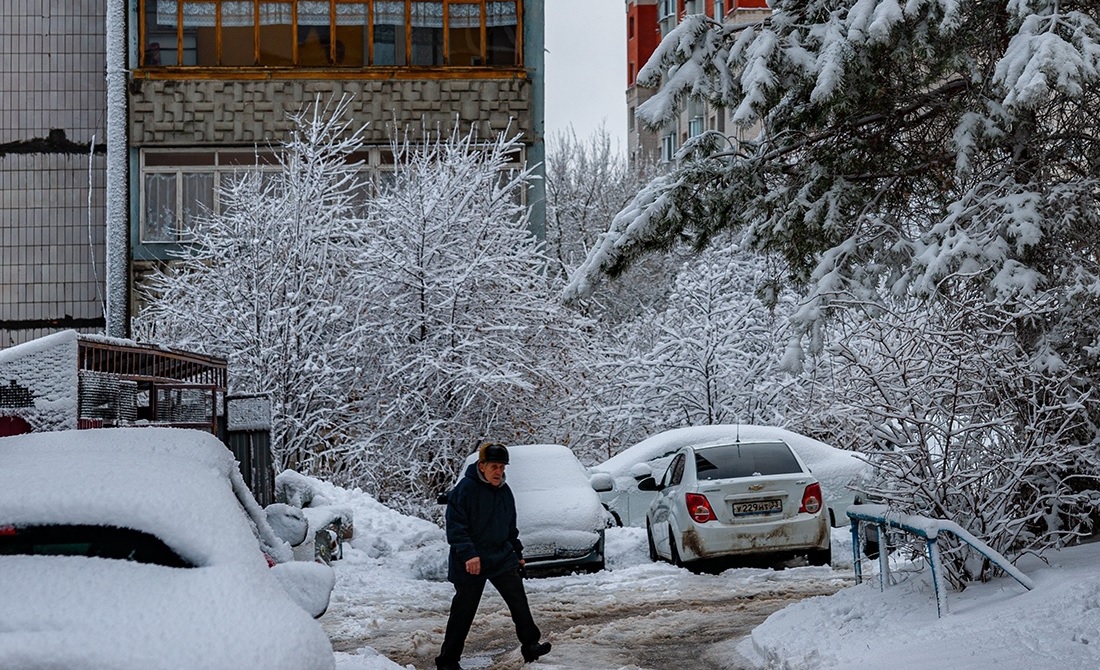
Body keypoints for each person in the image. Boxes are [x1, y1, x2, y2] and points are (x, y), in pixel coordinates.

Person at [435, 443, 552, 670]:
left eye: (502, 467)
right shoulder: (465, 489)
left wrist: (517, 554)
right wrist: (469, 554)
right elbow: (456, 527)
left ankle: (530, 645)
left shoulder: (505, 492)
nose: (499, 471)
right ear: (482, 466)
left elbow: (510, 528)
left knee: (518, 600)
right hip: (470, 559)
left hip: (500, 555)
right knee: (463, 611)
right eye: (494, 466)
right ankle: (447, 661)